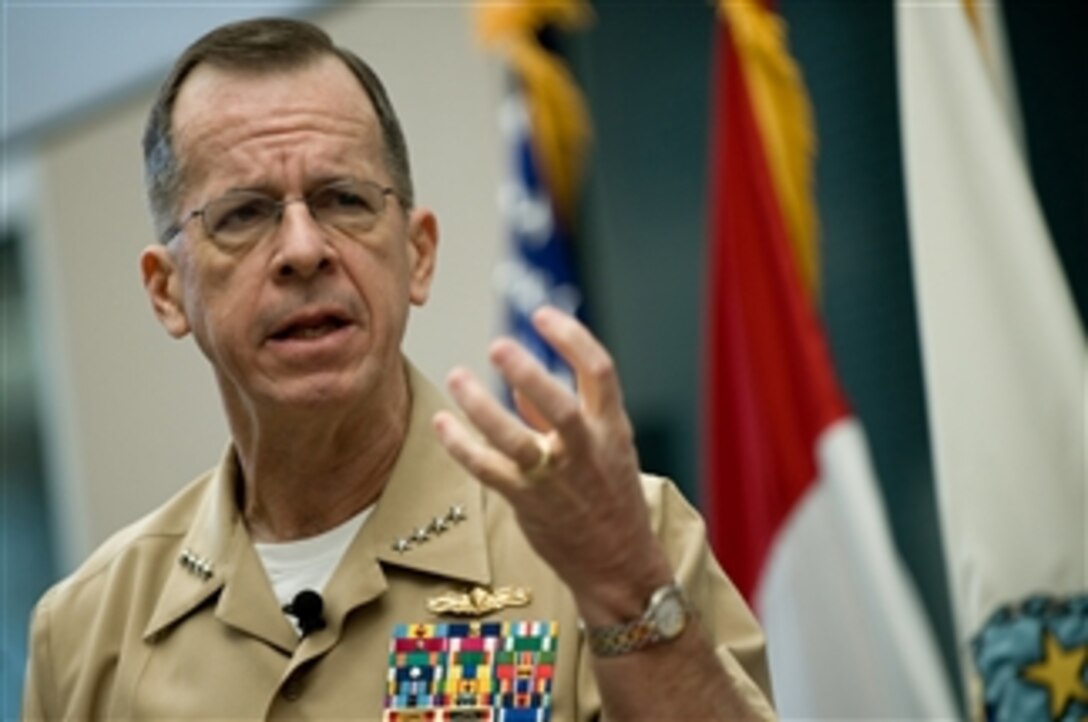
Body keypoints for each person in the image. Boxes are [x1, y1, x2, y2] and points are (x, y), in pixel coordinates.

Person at [22, 17, 774, 721]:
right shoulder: (88, 630)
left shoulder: (609, 540)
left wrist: (625, 593)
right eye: (244, 214)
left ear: (416, 254)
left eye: (343, 199)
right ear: (166, 290)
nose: (303, 249)